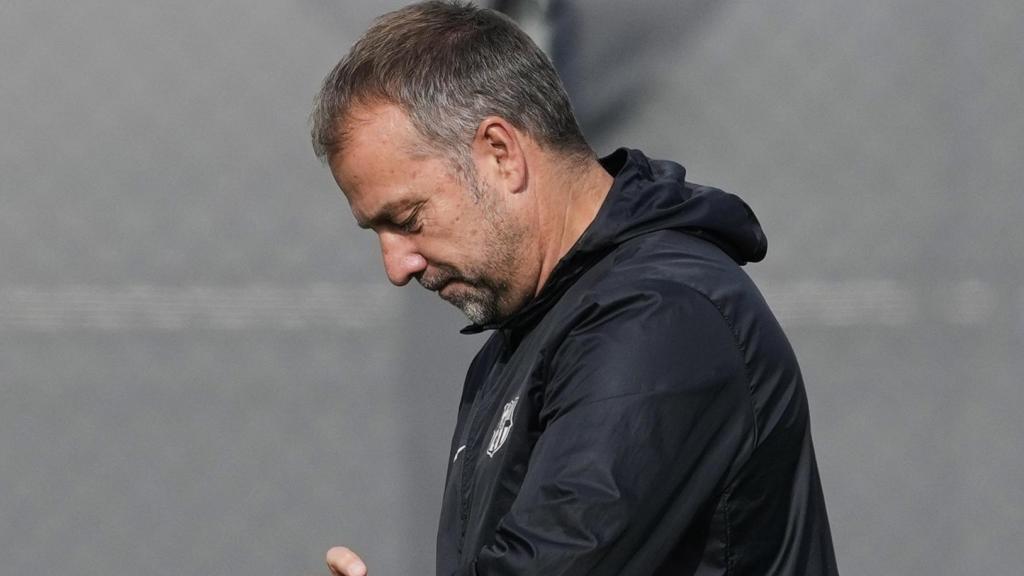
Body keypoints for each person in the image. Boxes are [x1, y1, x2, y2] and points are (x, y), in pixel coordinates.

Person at [310, 2, 838, 574]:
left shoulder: (658, 318)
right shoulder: (537, 331)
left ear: (501, 154)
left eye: (408, 218)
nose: (397, 265)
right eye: (377, 232)